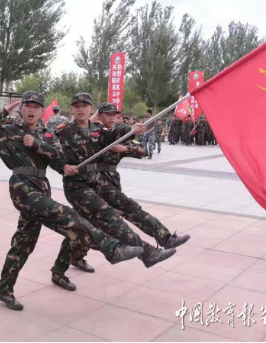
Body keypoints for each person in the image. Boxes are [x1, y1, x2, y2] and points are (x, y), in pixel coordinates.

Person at [0, 91, 145, 311]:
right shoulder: (8, 130)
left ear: (41, 110)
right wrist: (3, 111)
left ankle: (4, 288)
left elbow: (58, 160)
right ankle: (111, 247)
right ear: (21, 108)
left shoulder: (47, 135)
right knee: (69, 215)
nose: (32, 110)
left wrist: (48, 153)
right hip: (22, 187)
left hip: (41, 187)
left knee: (24, 243)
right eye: (28, 106)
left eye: (37, 106)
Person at [51, 93, 176, 286]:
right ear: (72, 110)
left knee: (84, 228)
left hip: (98, 183)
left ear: (91, 109)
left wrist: (133, 130)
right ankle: (148, 253)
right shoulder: (63, 130)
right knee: (108, 218)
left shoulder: (99, 130)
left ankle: (60, 269)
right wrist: (62, 167)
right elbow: (49, 150)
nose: (81, 109)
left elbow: (119, 135)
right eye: (77, 106)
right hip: (77, 185)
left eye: (85, 105)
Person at [69, 102, 190, 272]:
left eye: (115, 115)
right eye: (108, 114)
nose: (112, 118)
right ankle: (154, 247)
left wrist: (123, 148)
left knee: (102, 221)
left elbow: (142, 150)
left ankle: (164, 238)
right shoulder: (93, 131)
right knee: (106, 222)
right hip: (93, 182)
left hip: (110, 181)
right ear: (99, 115)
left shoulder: (118, 132)